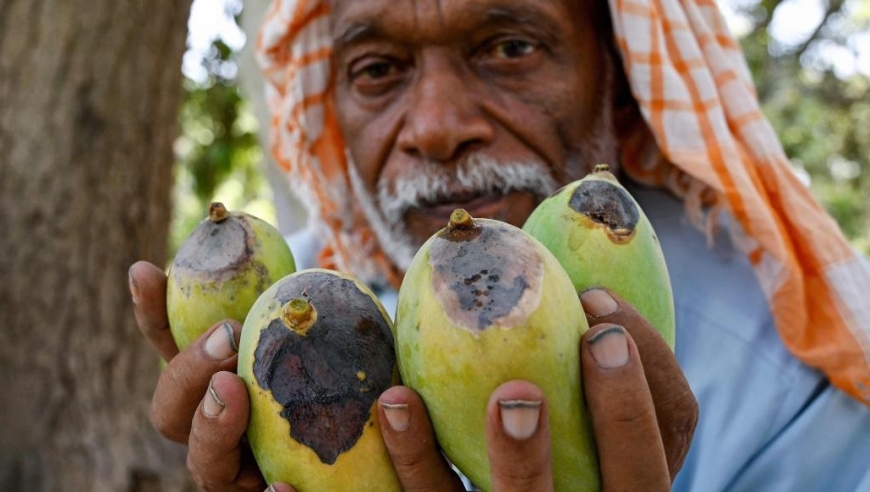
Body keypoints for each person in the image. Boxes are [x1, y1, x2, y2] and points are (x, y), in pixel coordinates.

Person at [129, 0, 870, 490]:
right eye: (379, 69)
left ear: (615, 77)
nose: (437, 126)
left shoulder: (788, 369)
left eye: (510, 47)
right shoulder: (292, 305)